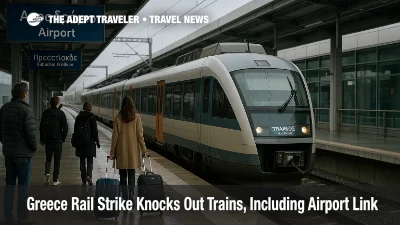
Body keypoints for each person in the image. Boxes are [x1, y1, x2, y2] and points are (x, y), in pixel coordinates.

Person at [0, 82, 37, 225]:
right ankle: (22, 214)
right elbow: (31, 135)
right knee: (23, 186)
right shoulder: (26, 110)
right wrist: (33, 148)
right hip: (23, 155)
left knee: (9, 185)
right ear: (24, 94)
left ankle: (8, 214)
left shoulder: (4, 108)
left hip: (9, 154)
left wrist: (6, 144)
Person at [109, 96, 147, 201]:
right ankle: (130, 197)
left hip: (121, 152)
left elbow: (114, 137)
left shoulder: (117, 118)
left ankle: (125, 198)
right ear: (132, 105)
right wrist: (144, 150)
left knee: (122, 176)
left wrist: (112, 152)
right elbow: (140, 136)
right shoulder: (137, 117)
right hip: (133, 152)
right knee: (131, 175)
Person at [39, 96, 68, 186]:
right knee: (57, 160)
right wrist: (63, 138)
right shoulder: (61, 113)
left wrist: (42, 140)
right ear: (57, 103)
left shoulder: (45, 113)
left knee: (48, 159)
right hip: (58, 140)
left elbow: (41, 128)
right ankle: (55, 180)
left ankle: (47, 173)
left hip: (48, 140)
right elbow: (65, 128)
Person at [72, 102, 100, 186]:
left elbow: (75, 130)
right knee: (90, 161)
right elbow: (95, 132)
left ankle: (83, 179)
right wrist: (97, 142)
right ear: (89, 108)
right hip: (90, 142)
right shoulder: (92, 118)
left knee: (82, 161)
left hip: (80, 142)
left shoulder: (78, 117)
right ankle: (89, 176)